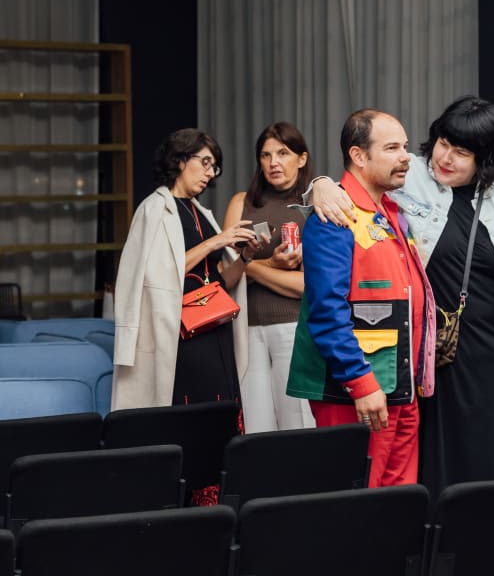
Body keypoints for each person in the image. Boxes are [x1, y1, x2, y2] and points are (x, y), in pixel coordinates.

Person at [308, 96, 494, 498]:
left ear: (485, 159)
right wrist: (319, 185)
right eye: (443, 143)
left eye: (462, 152)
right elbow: (356, 184)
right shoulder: (409, 175)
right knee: (431, 468)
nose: (446, 158)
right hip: (440, 354)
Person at [285, 109, 435, 488]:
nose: (405, 157)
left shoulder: (391, 210)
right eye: (392, 148)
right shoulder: (334, 215)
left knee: (399, 497)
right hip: (358, 388)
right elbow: (327, 312)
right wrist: (361, 382)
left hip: (399, 384)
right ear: (358, 155)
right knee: (354, 498)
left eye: (405, 147)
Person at [112, 128, 258, 413]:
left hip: (215, 328)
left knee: (221, 414)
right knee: (189, 415)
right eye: (205, 162)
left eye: (214, 167)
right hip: (180, 334)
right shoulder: (153, 209)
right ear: (179, 160)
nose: (210, 173)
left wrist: (245, 258)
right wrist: (216, 241)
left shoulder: (201, 212)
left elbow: (219, 282)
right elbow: (157, 276)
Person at [222, 122, 316, 433]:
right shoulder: (241, 203)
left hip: (294, 327)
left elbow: (308, 287)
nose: (273, 162)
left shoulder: (312, 206)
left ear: (301, 158)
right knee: (255, 426)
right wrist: (273, 265)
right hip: (245, 328)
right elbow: (224, 276)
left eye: (283, 153)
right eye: (265, 155)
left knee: (298, 424)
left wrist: (248, 265)